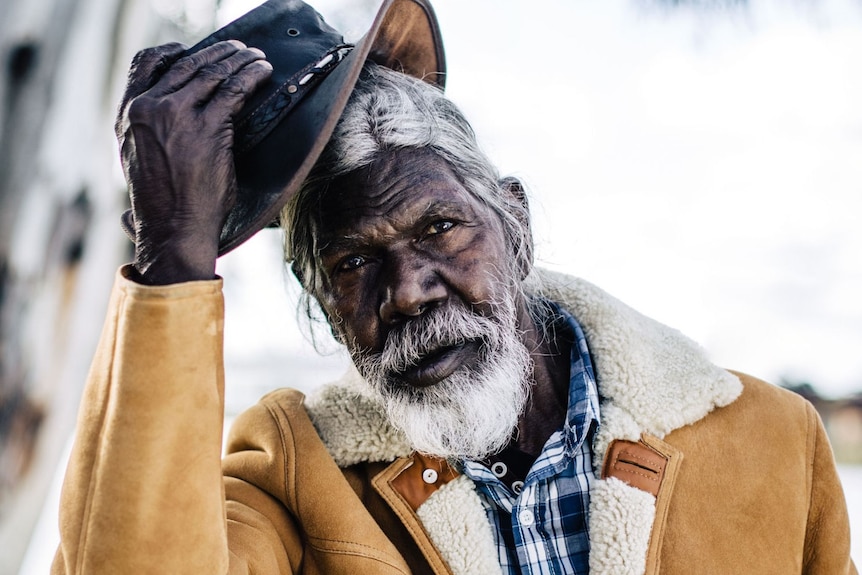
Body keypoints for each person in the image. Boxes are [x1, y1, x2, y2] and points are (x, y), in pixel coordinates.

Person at [53, 0, 856, 573]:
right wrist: (172, 255)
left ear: (516, 223)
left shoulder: (773, 441)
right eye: (352, 264)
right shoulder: (294, 474)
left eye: (439, 228)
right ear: (327, 312)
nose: (407, 291)